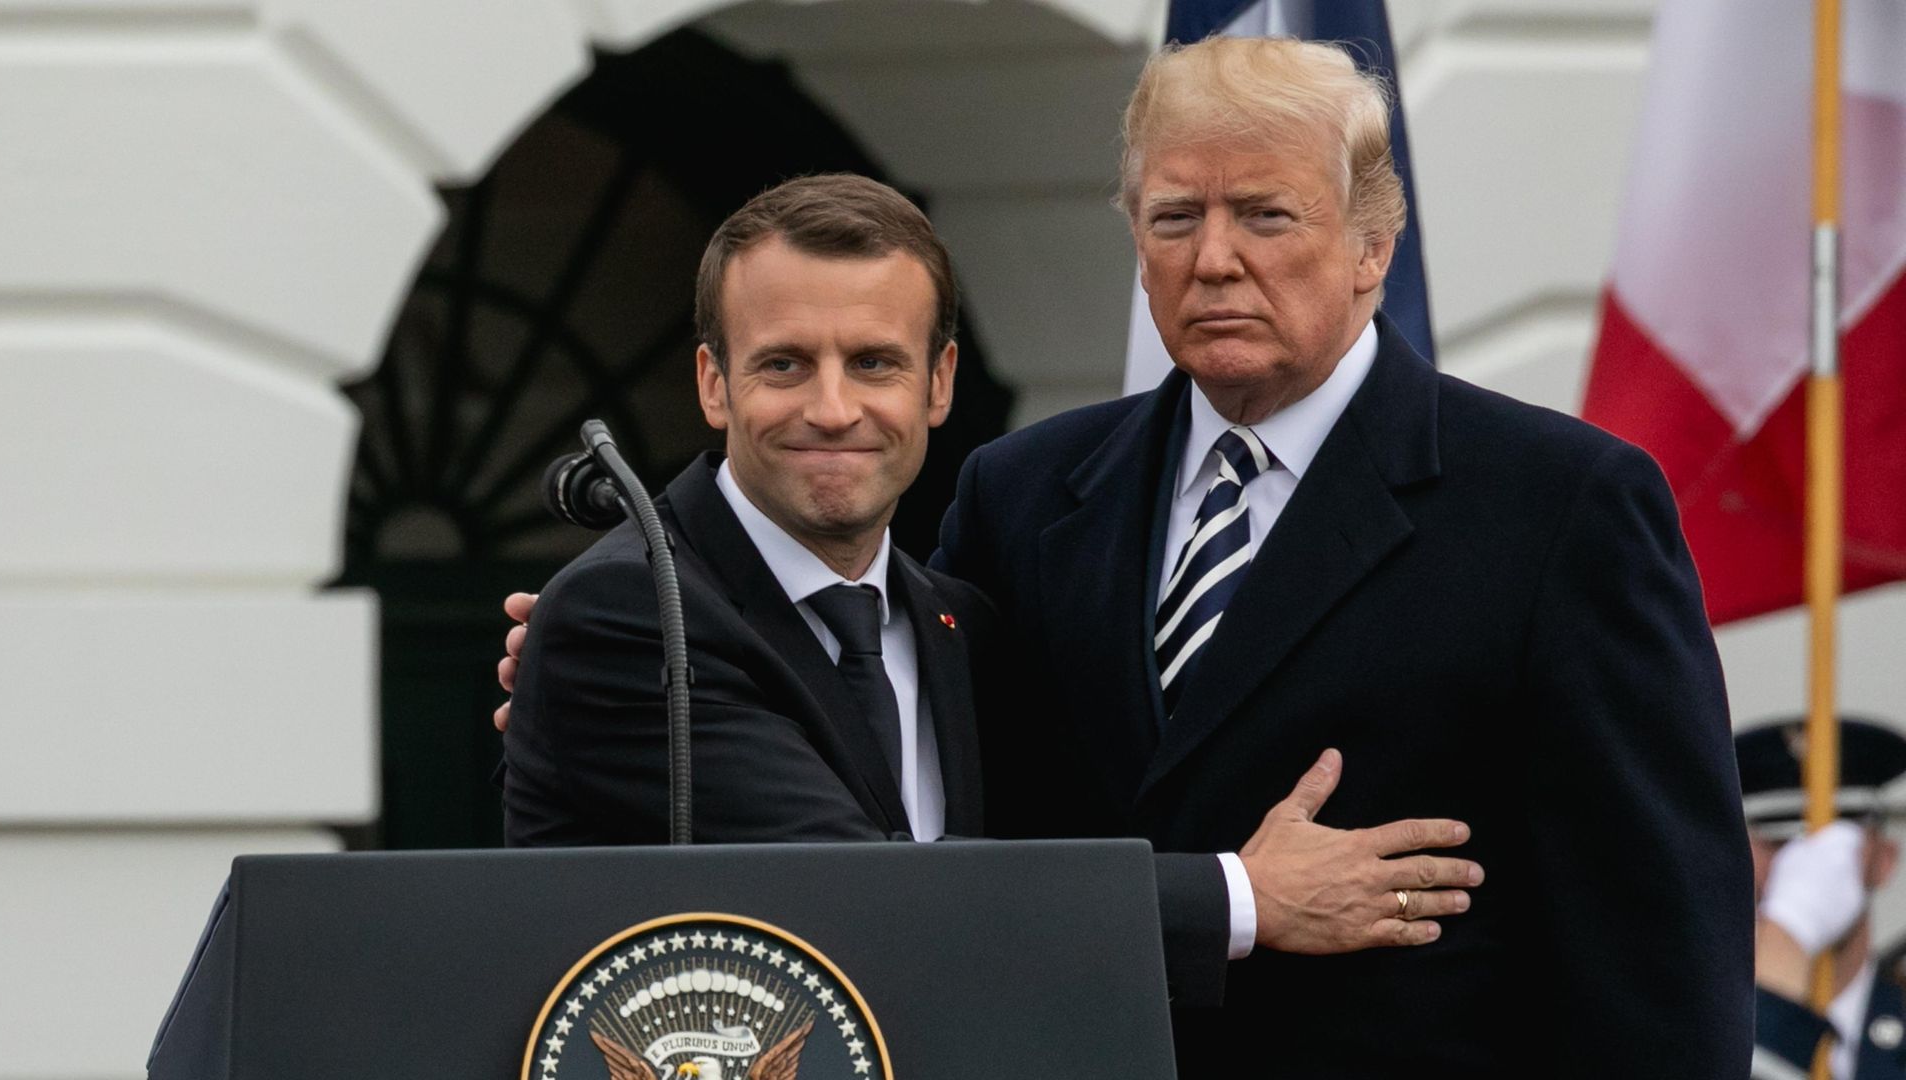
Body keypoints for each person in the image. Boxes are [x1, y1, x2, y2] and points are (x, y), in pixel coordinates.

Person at [927, 37, 1752, 1073]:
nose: (1214, 258)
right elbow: (953, 856)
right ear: (1137, 243)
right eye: (1175, 217)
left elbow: (1661, 955)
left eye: (1266, 215)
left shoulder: (1561, 507)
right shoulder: (1022, 496)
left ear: (1373, 246)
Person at [499, 173, 1482, 1003]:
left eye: (875, 363)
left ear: (939, 384)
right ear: (715, 384)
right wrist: (1246, 899)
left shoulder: (960, 624)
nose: (833, 408)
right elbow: (871, 903)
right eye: (786, 365)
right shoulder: (630, 615)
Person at [1741, 718, 1906, 1080]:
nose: (1802, 868)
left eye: (1834, 843)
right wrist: (1787, 938)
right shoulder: (1682, 1025)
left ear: (1884, 858)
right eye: (1778, 841)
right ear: (1740, 858)